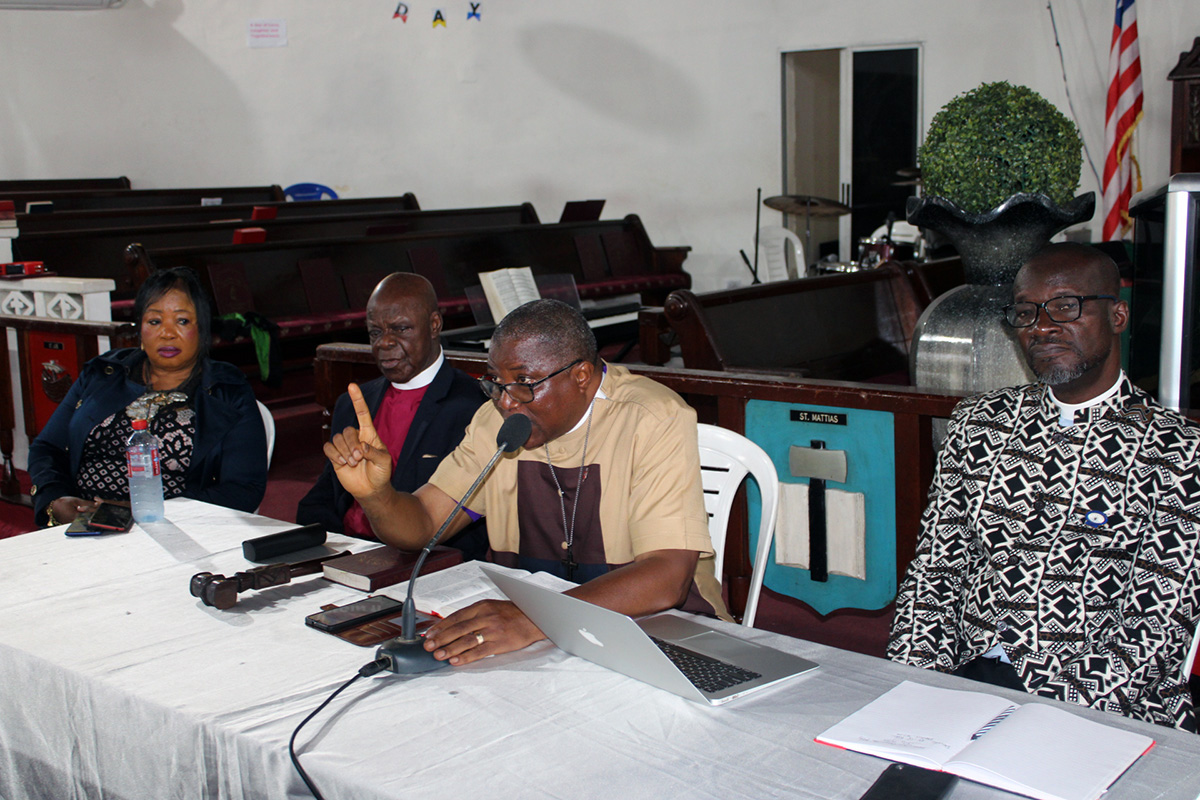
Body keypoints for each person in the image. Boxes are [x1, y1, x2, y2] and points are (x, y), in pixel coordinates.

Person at [889, 242, 1200, 730]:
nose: (1042, 326)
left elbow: (1154, 629)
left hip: (1102, 703)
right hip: (968, 675)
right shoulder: (981, 423)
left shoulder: (1178, 451)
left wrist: (1046, 715)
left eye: (1065, 307)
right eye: (1027, 312)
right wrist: (913, 682)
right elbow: (936, 571)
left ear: (1117, 315)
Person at [322, 298, 728, 665]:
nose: (506, 402)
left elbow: (667, 577)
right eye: (495, 382)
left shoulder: (652, 417)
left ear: (582, 376)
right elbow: (424, 524)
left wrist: (537, 618)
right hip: (543, 637)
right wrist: (377, 495)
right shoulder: (494, 424)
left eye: (524, 383)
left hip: (658, 628)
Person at [29, 266, 267, 526]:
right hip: (85, 524)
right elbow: (47, 448)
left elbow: (244, 488)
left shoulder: (227, 390)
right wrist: (55, 498)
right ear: (140, 328)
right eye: (155, 321)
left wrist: (148, 511)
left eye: (182, 321)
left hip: (174, 530)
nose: (167, 333)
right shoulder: (102, 374)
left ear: (203, 328)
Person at [296, 272, 488, 559]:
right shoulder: (352, 403)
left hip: (419, 561)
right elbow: (325, 499)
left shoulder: (474, 408)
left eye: (400, 329)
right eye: (375, 332)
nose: (384, 343)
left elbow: (467, 533)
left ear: (434, 325)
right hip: (349, 553)